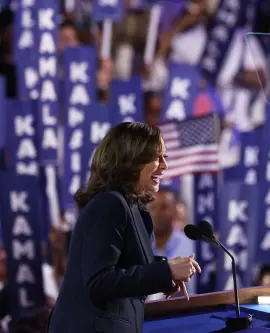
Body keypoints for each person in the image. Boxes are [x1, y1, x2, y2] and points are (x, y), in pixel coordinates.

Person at [47, 122, 201, 333]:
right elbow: (100, 280)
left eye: (165, 158)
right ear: (132, 159)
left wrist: (168, 272)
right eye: (157, 157)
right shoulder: (109, 204)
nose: (164, 166)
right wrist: (166, 271)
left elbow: (128, 263)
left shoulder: (133, 208)